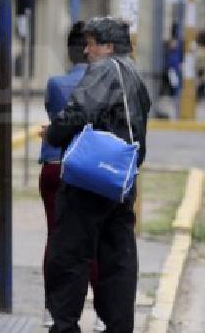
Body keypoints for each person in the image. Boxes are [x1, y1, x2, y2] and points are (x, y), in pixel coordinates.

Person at [43, 17, 152, 333]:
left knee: (69, 254)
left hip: (90, 178)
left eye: (92, 43)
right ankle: (119, 324)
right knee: (117, 255)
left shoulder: (105, 69)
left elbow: (79, 111)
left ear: (108, 46)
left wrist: (54, 134)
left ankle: (65, 324)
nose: (86, 50)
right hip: (121, 178)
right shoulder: (134, 73)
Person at [37, 22, 105, 331]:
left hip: (56, 166)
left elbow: (56, 120)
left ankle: (54, 308)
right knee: (94, 242)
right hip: (92, 170)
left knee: (56, 238)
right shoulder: (107, 83)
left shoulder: (56, 84)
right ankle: (103, 311)